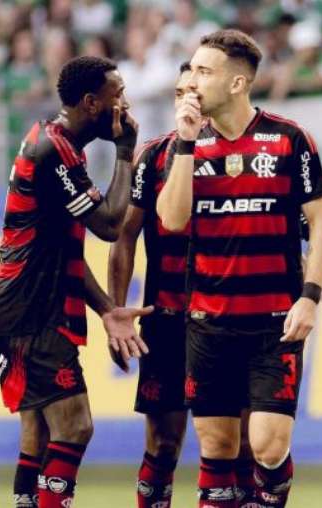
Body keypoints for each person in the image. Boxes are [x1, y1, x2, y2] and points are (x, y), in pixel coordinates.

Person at [156, 29, 322, 508]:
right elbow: (172, 219)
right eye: (192, 70)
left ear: (237, 83)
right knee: (217, 446)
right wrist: (186, 143)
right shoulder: (186, 144)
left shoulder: (290, 140)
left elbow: (321, 226)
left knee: (267, 446)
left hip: (274, 324)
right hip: (208, 322)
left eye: (204, 71)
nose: (192, 81)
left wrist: (310, 298)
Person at [0, 55, 152, 508]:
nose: (125, 105)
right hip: (28, 311)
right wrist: (125, 151)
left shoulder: (59, 145)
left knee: (38, 432)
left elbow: (65, 253)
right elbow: (111, 225)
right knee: (75, 425)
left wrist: (108, 310)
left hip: (24, 307)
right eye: (118, 95)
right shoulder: (52, 150)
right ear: (91, 103)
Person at [107, 60, 259, 508]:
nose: (185, 101)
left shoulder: (246, 157)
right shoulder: (154, 157)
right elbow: (124, 236)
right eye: (177, 93)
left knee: (243, 445)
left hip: (232, 321)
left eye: (193, 91)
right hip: (169, 321)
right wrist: (118, 311)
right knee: (163, 443)